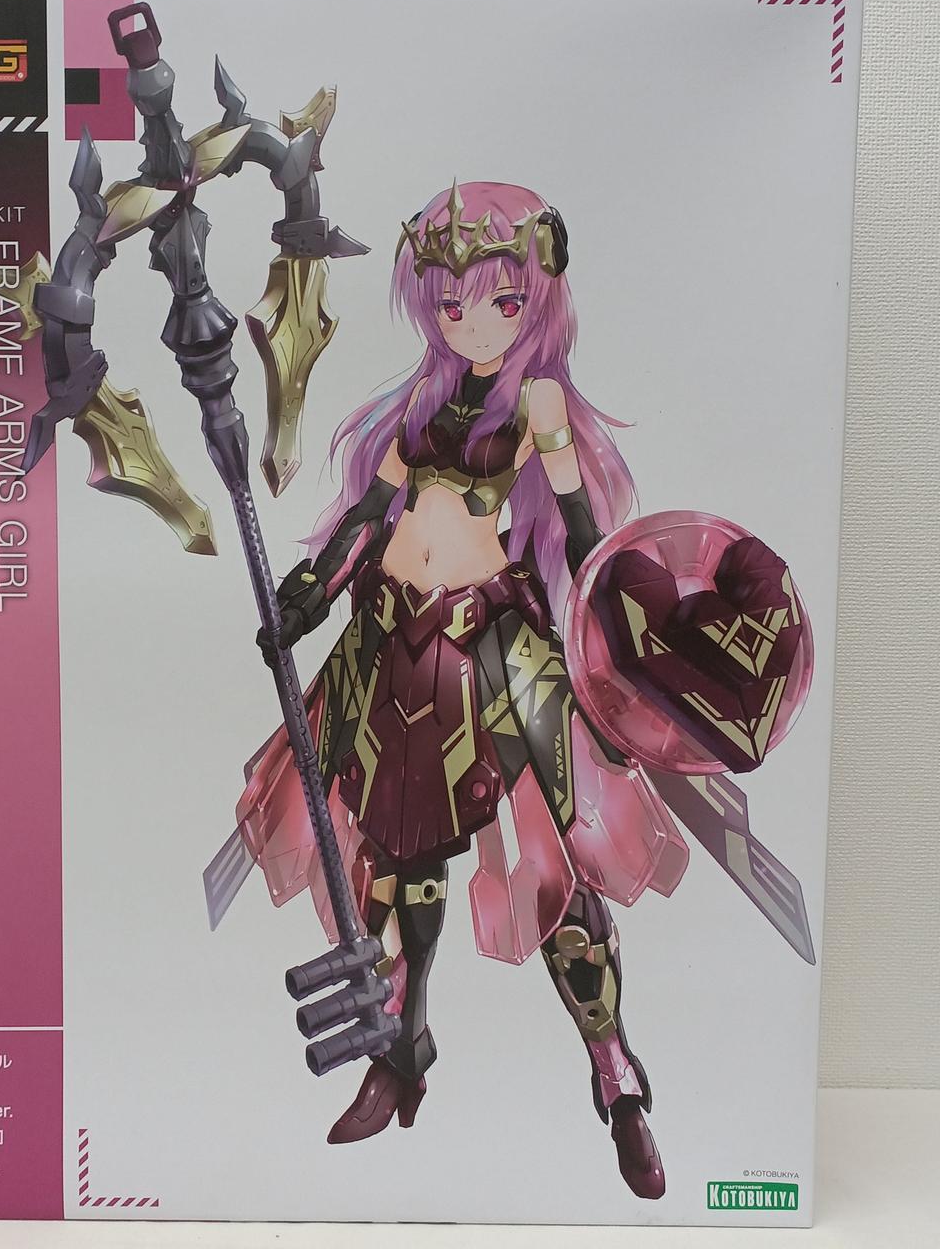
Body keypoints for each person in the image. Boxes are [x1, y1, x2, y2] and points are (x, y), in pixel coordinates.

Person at [234, 182, 694, 1199]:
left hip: (489, 642)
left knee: (558, 864)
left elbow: (580, 532)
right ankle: (399, 1050)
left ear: (534, 298)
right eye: (448, 301)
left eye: (496, 299)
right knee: (397, 863)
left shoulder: (537, 404)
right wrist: (310, 590)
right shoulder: (419, 400)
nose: (469, 319)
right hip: (391, 634)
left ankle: (614, 1073)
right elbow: (369, 513)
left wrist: (623, 623)